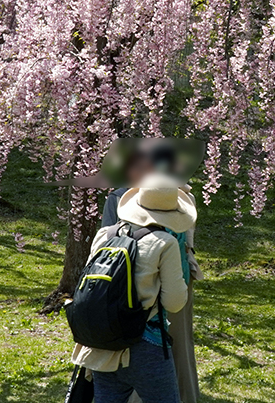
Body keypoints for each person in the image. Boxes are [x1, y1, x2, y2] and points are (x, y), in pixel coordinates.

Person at [72, 173, 192, 403]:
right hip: (145, 343)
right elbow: (174, 303)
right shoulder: (164, 243)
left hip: (103, 341)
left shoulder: (105, 235)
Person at [101, 143, 200, 403]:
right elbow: (175, 299)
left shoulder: (110, 221)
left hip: (117, 300)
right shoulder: (179, 204)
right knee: (170, 353)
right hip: (164, 295)